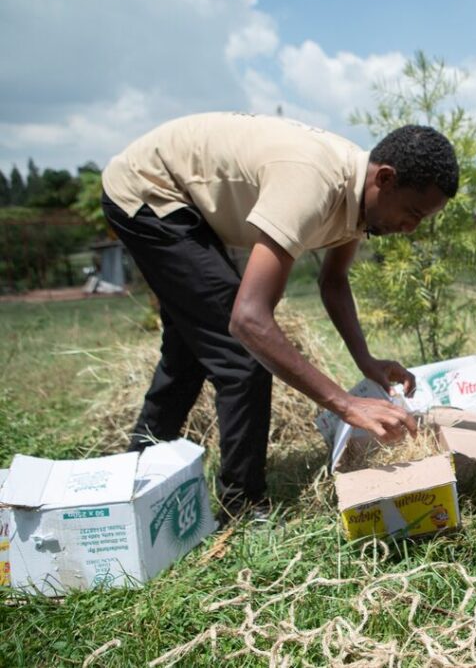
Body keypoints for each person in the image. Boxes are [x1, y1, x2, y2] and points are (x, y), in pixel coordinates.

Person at [102, 113, 457, 518]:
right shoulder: (313, 183)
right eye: (412, 212)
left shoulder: (363, 200)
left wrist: (365, 360)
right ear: (386, 178)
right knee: (238, 353)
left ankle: (137, 478)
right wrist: (345, 404)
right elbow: (249, 319)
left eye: (422, 220)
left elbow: (334, 282)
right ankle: (243, 507)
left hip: (190, 203)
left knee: (192, 347)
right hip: (150, 189)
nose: (411, 228)